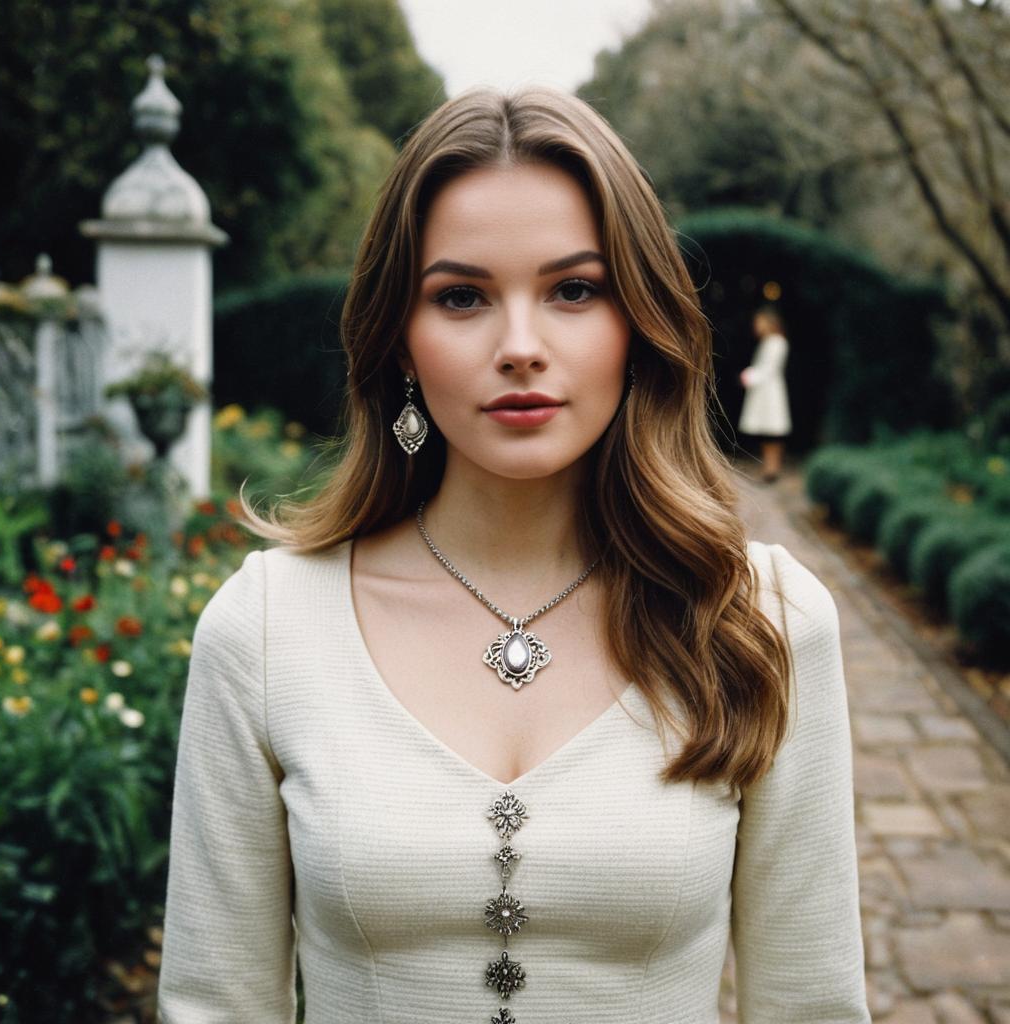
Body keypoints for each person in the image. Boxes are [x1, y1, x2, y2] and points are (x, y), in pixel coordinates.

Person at [156, 86, 869, 1023]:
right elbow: (215, 1005)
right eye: (461, 297)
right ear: (400, 343)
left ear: (637, 322)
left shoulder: (763, 621)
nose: (521, 347)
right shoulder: (265, 630)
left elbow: (811, 1006)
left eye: (574, 290)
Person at [738, 306, 792, 484]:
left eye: (759, 322)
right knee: (768, 432)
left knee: (772, 431)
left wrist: (750, 376)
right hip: (765, 390)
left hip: (769, 392)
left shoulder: (776, 342)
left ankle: (772, 468)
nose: (756, 326)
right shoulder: (768, 342)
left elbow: (769, 368)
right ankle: (769, 468)